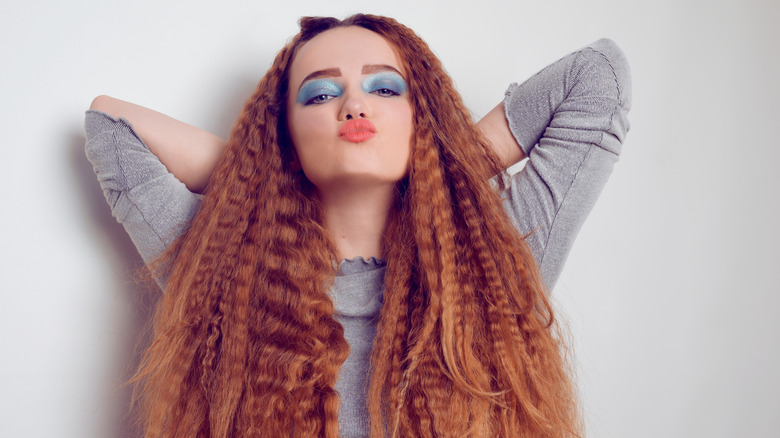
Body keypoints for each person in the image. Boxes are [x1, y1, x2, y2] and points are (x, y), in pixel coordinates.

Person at [85, 13, 630, 438]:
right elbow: (110, 125)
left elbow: (598, 77)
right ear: (285, 136)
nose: (353, 104)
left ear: (424, 119)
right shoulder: (227, 268)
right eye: (320, 94)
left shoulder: (497, 257)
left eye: (386, 89)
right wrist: (261, 174)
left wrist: (444, 167)